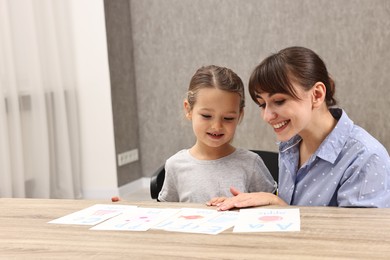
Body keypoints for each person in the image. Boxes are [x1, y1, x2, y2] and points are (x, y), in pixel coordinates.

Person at [207, 46, 390, 209]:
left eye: (279, 101)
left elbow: (356, 242)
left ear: (317, 95)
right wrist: (269, 201)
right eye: (263, 104)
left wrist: (279, 205)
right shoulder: (290, 146)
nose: (267, 116)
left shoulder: (365, 158)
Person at [158, 65, 276, 203]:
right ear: (188, 109)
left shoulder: (251, 164)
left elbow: (273, 210)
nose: (217, 126)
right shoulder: (175, 165)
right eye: (207, 116)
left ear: (240, 115)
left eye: (228, 118)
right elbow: (167, 213)